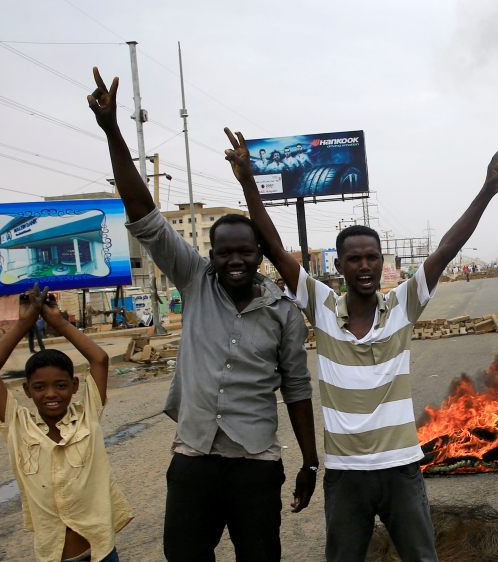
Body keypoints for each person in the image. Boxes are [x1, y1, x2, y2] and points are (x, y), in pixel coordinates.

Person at [223, 127, 498, 562]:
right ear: (338, 265)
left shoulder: (402, 305)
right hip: (345, 475)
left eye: (372, 257)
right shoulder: (320, 307)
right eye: (354, 258)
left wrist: (487, 190)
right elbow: (274, 246)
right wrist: (248, 180)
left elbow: (448, 247)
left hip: (401, 470)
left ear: (383, 263)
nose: (364, 265)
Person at [87, 68, 319, 562]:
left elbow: (297, 389)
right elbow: (143, 212)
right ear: (209, 254)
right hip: (192, 459)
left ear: (259, 255)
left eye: (245, 252)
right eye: (224, 252)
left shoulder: (283, 312)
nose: (234, 260)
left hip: (257, 463)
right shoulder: (194, 281)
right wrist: (111, 129)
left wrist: (310, 463)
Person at [0, 284, 131, 562]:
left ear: (74, 386)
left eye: (60, 385)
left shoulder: (88, 417)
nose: (50, 394)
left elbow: (99, 358)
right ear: (26, 391)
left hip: (100, 551)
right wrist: (25, 322)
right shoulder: (18, 426)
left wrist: (58, 322)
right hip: (53, 555)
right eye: (39, 388)